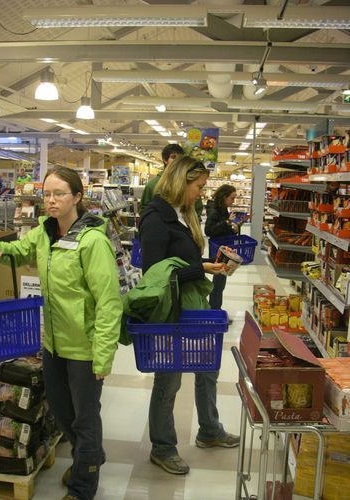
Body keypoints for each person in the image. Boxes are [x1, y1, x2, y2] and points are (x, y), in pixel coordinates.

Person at [0, 166, 123, 500]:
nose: (51, 201)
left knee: (85, 419)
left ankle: (82, 487)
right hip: (53, 343)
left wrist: (103, 356)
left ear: (77, 196)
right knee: (61, 412)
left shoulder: (92, 242)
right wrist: (0, 251)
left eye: (59, 194)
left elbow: (109, 303)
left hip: (84, 348)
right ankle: (91, 456)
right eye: (47, 194)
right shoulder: (45, 232)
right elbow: (23, 249)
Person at [138, 156, 239, 476]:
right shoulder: (156, 218)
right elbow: (154, 276)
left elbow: (183, 260)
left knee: (208, 368)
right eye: (198, 186)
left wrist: (212, 261)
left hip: (193, 304)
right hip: (169, 312)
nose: (201, 193)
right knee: (168, 381)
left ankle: (209, 429)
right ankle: (163, 447)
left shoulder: (186, 214)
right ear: (182, 181)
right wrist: (201, 268)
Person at [140, 143, 203, 219]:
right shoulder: (152, 185)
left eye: (180, 158)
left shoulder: (189, 182)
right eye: (173, 157)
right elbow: (144, 210)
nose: (177, 161)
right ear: (165, 160)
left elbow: (197, 208)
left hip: (185, 227)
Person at [205, 184, 240, 311]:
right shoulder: (215, 210)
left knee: (220, 281)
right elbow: (209, 230)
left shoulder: (223, 208)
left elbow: (222, 230)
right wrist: (227, 222)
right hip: (218, 250)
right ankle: (215, 311)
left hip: (223, 248)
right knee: (219, 282)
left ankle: (215, 309)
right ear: (224, 196)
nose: (233, 201)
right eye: (232, 198)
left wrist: (234, 229)